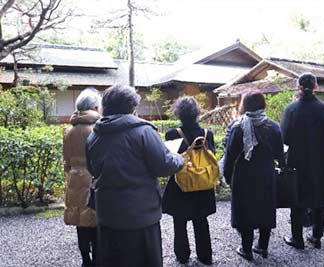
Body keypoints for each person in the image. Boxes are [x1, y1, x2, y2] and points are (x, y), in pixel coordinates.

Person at [85, 84, 183, 267]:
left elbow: (92, 169)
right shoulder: (144, 132)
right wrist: (180, 159)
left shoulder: (94, 136)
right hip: (140, 217)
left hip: (108, 216)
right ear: (131, 106)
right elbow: (164, 165)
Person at [223, 90, 284, 261]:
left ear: (245, 105)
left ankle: (246, 249)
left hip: (245, 176)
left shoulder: (238, 127)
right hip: (266, 174)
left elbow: (230, 157)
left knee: (246, 212)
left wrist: (228, 177)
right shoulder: (274, 126)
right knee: (265, 208)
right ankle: (263, 247)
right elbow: (280, 155)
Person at [280, 72, 324, 249]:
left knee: (297, 197)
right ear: (316, 86)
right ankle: (316, 237)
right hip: (320, 159)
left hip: (297, 159)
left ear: (298, 87)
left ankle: (297, 238)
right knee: (319, 197)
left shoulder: (291, 109)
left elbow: (285, 138)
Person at [162, 97, 216, 265]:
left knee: (180, 221)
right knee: (201, 221)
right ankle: (205, 256)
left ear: (178, 113)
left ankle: (182, 255)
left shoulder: (173, 134)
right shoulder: (207, 134)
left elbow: (169, 160)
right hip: (203, 183)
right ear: (197, 113)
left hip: (181, 183)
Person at [63, 88, 101, 267]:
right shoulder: (97, 129)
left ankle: (86, 260)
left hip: (74, 180)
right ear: (94, 107)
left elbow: (66, 161)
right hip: (93, 179)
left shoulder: (69, 131)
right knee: (95, 221)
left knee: (81, 222)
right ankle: (99, 259)